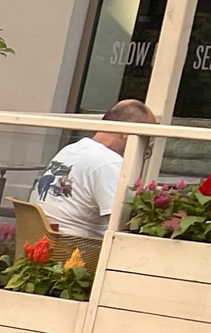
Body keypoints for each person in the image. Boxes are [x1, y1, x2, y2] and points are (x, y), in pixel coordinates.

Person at [32, 98, 154, 240]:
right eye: (145, 138)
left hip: (45, 245)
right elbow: (122, 224)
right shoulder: (110, 163)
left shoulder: (71, 150)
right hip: (79, 252)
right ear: (127, 133)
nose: (146, 147)